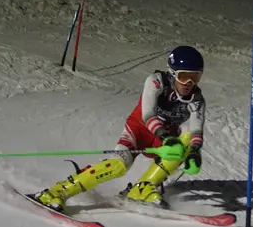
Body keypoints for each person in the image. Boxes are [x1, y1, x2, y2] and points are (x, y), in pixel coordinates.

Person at [33, 45, 206, 212]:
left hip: (164, 140)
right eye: (184, 76)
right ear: (173, 73)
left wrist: (194, 152)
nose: (189, 83)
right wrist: (166, 138)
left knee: (187, 140)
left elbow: (197, 131)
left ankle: (143, 188)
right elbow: (148, 114)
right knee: (119, 165)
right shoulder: (156, 81)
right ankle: (57, 192)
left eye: (195, 77)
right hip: (140, 130)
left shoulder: (196, 100)